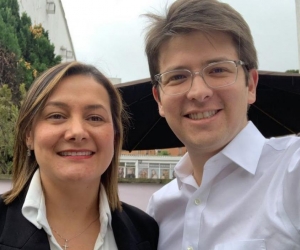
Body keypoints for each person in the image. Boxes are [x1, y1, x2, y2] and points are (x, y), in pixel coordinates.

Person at [144, 0, 300, 249]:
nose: (198, 92)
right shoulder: (159, 210)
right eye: (178, 77)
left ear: (250, 85)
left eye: (217, 70)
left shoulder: (292, 174)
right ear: (159, 99)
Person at [0, 61, 159, 250]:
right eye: (57, 115)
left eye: (95, 118)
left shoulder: (146, 231)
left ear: (115, 137)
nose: (77, 132)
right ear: (29, 135)